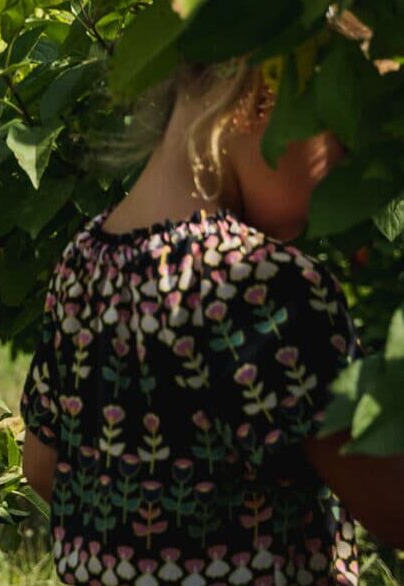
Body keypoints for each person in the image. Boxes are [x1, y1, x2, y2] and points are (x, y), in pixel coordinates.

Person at [20, 34, 404, 584]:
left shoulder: (81, 266)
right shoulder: (270, 290)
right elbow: (394, 505)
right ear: (265, 98)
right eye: (342, 141)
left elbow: (42, 469)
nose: (343, 177)